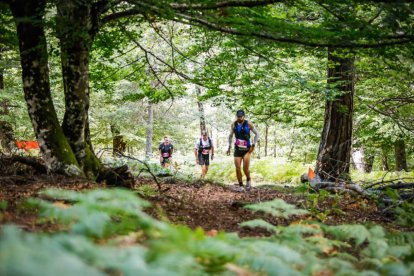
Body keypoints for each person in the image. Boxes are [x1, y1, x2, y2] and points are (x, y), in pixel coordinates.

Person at [226, 110, 259, 191]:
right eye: (238, 116)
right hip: (237, 149)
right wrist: (229, 147)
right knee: (237, 168)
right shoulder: (233, 125)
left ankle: (248, 179)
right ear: (236, 116)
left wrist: (253, 145)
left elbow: (257, 134)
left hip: (247, 150)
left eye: (241, 116)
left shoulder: (248, 124)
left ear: (244, 116)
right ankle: (241, 186)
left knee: (245, 169)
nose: (239, 118)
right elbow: (230, 136)